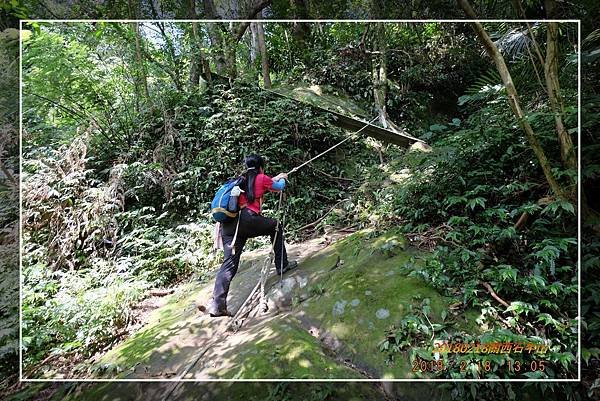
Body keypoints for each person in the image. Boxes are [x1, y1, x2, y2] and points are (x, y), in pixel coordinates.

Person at [208, 154, 298, 317]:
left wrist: (275, 178)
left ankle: (217, 306)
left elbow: (265, 183)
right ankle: (282, 264)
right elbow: (279, 186)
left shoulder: (240, 180)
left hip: (228, 226)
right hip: (247, 220)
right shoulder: (261, 178)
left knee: (229, 264)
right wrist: (283, 178)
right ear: (261, 167)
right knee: (276, 227)